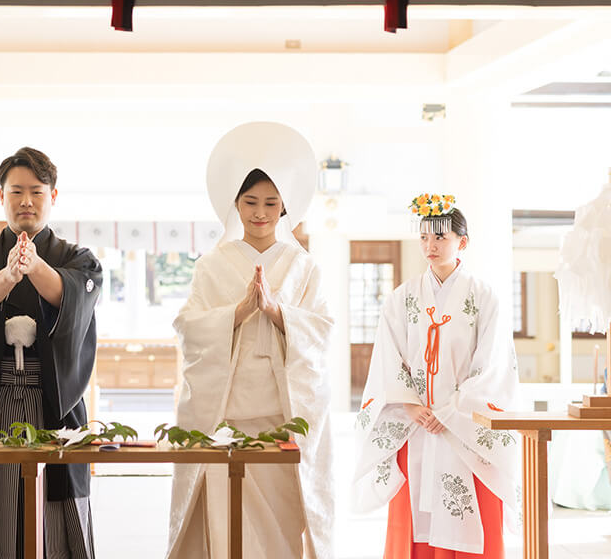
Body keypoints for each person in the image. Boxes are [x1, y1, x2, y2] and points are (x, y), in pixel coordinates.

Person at [166, 121, 335, 559]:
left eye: (270, 203)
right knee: (229, 532)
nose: (260, 212)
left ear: (285, 208)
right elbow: (187, 327)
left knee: (280, 533)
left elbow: (322, 330)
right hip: (228, 418)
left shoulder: (303, 266)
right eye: (250, 201)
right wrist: (238, 313)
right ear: (236, 205)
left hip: (283, 418)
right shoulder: (213, 265)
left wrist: (278, 313)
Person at [0, 147, 103, 559]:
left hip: (55, 402)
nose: (26, 201)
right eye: (16, 191)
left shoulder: (78, 259)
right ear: (1, 196)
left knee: (58, 512)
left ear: (53, 196)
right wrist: (9, 274)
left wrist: (34, 267)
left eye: (36, 191)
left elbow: (74, 299)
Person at [352, 196, 520, 558]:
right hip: (416, 424)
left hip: (463, 425)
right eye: (425, 237)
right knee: (414, 517)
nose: (431, 245)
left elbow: (492, 364)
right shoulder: (402, 298)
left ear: (463, 241)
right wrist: (411, 406)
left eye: (440, 237)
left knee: (469, 511)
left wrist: (452, 409)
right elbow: (387, 357)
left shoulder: (484, 296)